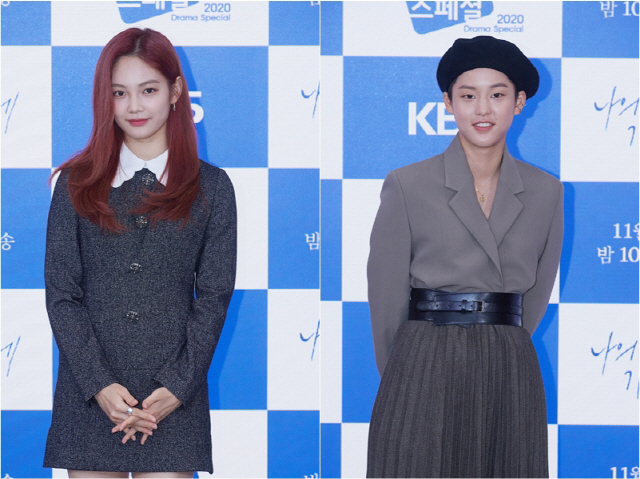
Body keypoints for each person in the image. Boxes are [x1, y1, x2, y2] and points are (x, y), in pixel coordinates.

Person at [43, 28, 237, 478]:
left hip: (171, 397)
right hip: (89, 395)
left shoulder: (212, 188)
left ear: (176, 91)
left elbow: (213, 298)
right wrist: (99, 385)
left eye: (148, 90)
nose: (134, 106)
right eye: (119, 93)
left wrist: (177, 386)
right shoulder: (74, 184)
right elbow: (62, 296)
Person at [366, 36, 563, 478]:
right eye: (468, 96)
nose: (482, 109)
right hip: (423, 358)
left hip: (509, 364)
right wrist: (405, 369)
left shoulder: (547, 191)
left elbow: (534, 297)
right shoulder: (407, 184)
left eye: (497, 95)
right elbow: (385, 297)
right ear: (448, 103)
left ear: (519, 102)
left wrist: (501, 340)